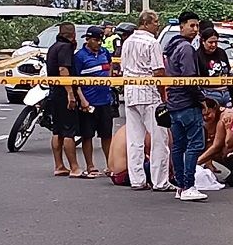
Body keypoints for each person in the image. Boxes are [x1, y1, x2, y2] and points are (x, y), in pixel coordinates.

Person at [120, 10, 172, 192]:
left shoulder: (127, 42)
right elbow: (158, 72)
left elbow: (124, 67)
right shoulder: (152, 43)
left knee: (134, 139)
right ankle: (160, 181)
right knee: (159, 139)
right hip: (149, 94)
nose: (158, 25)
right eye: (156, 21)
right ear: (146, 23)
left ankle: (137, 180)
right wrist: (163, 95)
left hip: (130, 92)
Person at [164, 10, 208, 202]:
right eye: (192, 25)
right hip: (187, 103)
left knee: (178, 146)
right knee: (195, 144)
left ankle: (180, 185)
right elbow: (190, 79)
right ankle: (188, 185)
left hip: (173, 102)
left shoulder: (171, 47)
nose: (195, 29)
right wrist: (201, 99)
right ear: (181, 26)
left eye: (197, 26)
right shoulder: (186, 49)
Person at [74, 27, 114, 178]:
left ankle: (110, 165)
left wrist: (109, 82)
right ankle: (90, 166)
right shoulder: (80, 57)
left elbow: (109, 66)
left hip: (105, 100)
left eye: (100, 40)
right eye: (95, 40)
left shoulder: (105, 53)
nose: (98, 43)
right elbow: (75, 81)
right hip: (88, 101)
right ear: (88, 39)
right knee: (87, 135)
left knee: (106, 135)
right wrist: (82, 100)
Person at [44, 21, 82, 178]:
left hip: (53, 92)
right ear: (73, 35)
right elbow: (63, 70)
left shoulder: (53, 47)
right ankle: (74, 167)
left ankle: (59, 165)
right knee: (68, 131)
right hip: (63, 93)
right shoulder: (66, 48)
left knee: (57, 130)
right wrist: (70, 94)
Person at [198, 27, 233, 108]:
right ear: (203, 41)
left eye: (216, 42)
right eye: (210, 42)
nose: (213, 45)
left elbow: (228, 70)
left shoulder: (221, 52)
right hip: (209, 94)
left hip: (226, 93)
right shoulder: (198, 56)